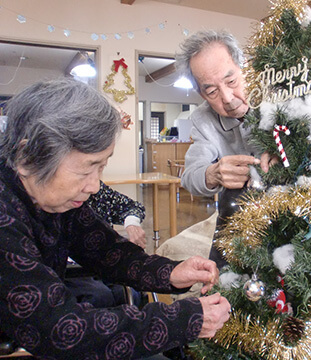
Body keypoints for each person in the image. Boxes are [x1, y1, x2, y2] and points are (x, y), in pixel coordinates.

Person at [0, 78, 230, 360]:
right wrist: (185, 319)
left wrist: (169, 272)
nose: (95, 186)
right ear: (27, 157)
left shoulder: (56, 199)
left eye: (102, 167)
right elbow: (60, 330)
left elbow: (106, 251)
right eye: (87, 169)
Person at [176, 30, 277, 268]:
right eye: (212, 91)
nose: (228, 98)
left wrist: (285, 152)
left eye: (232, 82)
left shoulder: (278, 94)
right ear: (201, 94)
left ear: (245, 69)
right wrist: (213, 173)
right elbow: (190, 176)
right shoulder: (202, 119)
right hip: (238, 217)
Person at [65, 181, 147, 308]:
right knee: (99, 296)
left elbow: (132, 206)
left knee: (129, 292)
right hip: (71, 269)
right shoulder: (57, 199)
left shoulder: (97, 191)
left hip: (103, 262)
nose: (94, 185)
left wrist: (131, 223)